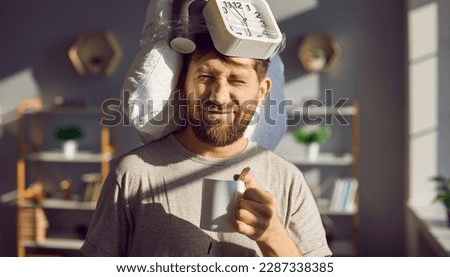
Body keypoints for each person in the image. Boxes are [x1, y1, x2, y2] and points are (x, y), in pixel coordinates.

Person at [80, 33, 332, 257]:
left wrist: (272, 236)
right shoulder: (132, 175)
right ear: (182, 84)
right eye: (205, 76)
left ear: (262, 92)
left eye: (237, 80)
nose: (219, 97)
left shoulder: (287, 180)